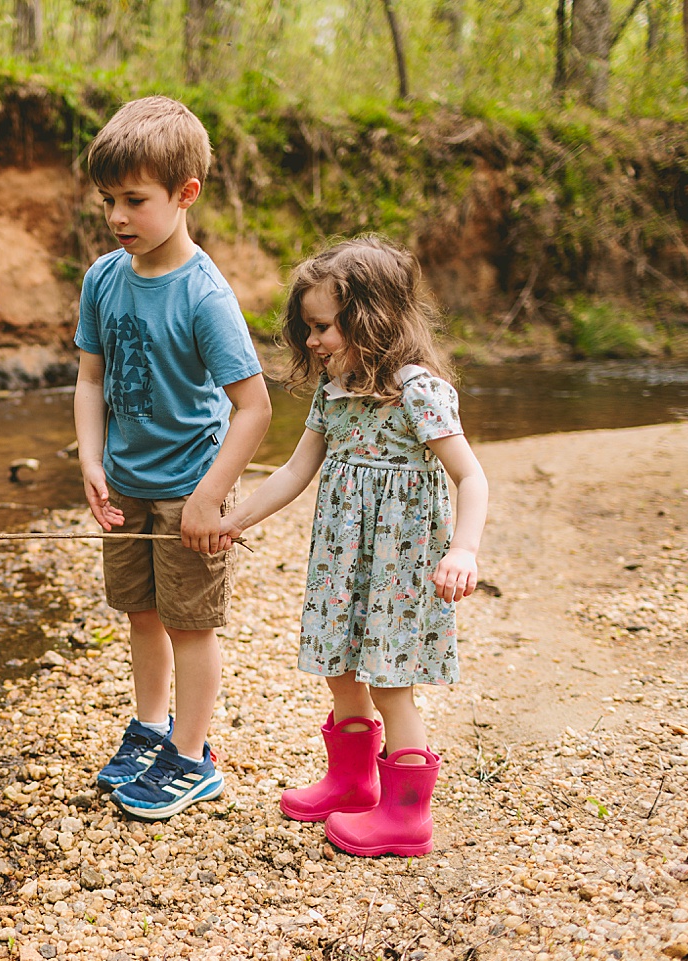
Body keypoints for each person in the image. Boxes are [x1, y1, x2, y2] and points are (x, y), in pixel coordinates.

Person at [216, 235, 488, 857]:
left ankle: (406, 814)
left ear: (373, 319)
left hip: (401, 567)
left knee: (391, 683)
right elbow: (292, 472)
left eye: (323, 327)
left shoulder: (416, 390)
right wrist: (237, 518)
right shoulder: (334, 391)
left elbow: (471, 476)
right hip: (342, 563)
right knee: (339, 666)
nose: (312, 341)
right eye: (308, 328)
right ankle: (351, 782)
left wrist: (463, 551)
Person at [74, 96, 272, 821]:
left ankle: (191, 759)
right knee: (141, 613)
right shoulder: (103, 278)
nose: (118, 217)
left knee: (191, 622)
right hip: (125, 483)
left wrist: (209, 498)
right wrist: (91, 459)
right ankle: (150, 728)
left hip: (190, 486)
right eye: (107, 201)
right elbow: (91, 377)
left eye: (134, 200)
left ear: (185, 195)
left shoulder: (204, 296)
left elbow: (255, 408)